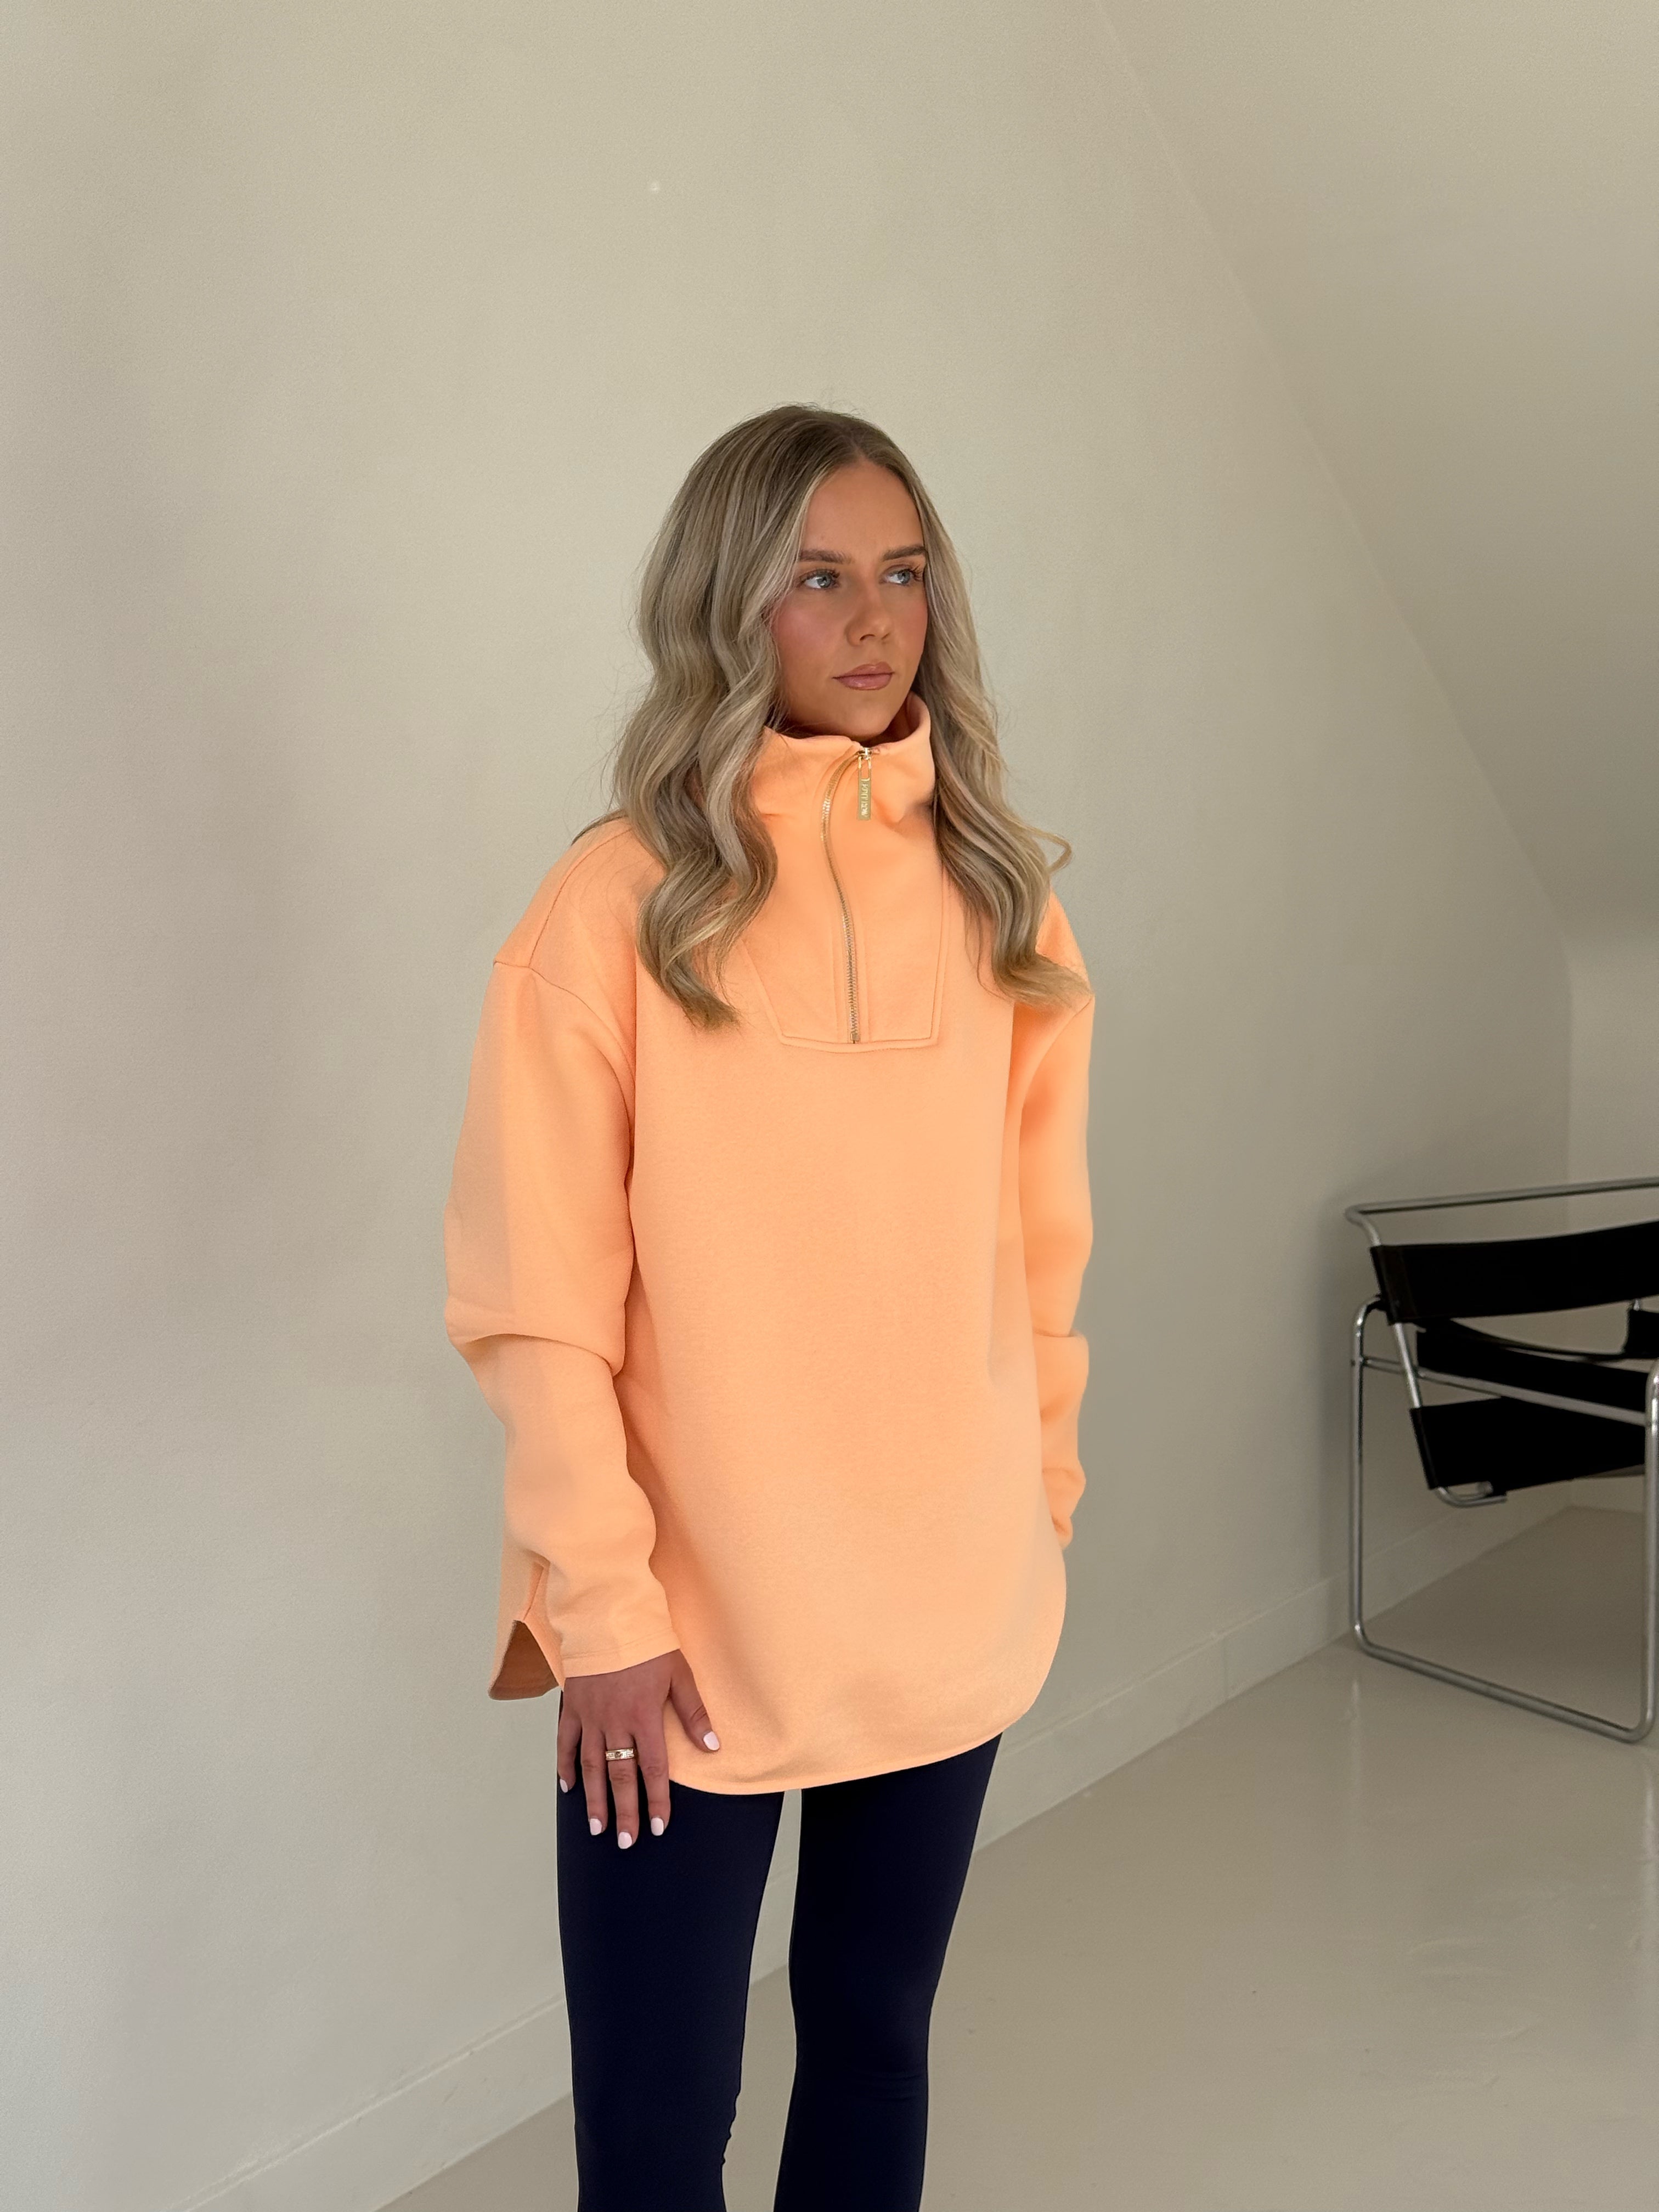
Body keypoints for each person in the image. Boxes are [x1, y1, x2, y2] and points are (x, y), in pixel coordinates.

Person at [442, 403, 1094, 2211]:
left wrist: (1039, 1496)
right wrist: (599, 1609)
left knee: (876, 2043)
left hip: (945, 1600)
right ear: (728, 605)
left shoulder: (1002, 900)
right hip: (685, 1629)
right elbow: (535, 1300)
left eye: (904, 574)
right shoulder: (614, 907)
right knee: (658, 2128)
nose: (874, 620)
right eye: (817, 579)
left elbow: (1042, 1248)